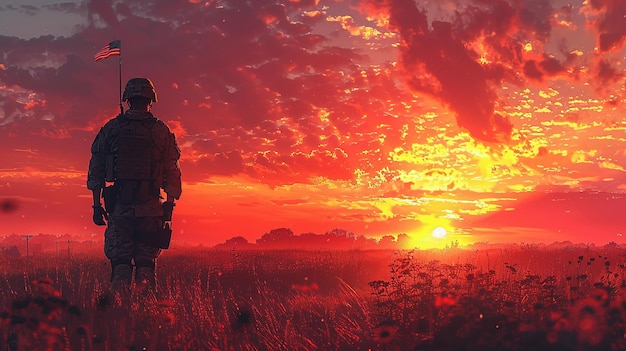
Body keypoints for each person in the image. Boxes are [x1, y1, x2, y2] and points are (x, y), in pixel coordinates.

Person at [87, 77, 182, 293]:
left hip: (120, 208)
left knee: (120, 266)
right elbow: (172, 170)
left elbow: (96, 169)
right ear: (151, 99)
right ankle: (145, 316)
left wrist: (96, 206)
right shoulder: (161, 131)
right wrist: (168, 208)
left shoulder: (111, 128)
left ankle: (118, 315)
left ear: (127, 100)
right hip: (151, 209)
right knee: (146, 266)